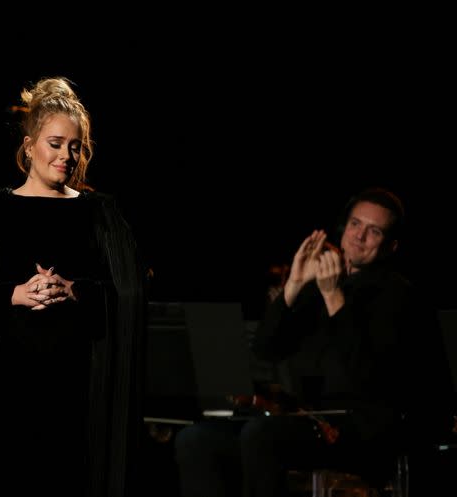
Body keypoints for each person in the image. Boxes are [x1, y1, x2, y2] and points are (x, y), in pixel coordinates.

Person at [0, 76, 146, 497]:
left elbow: (130, 292)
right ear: (29, 146)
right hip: (7, 387)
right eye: (56, 143)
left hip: (76, 388)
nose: (66, 156)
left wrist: (73, 289)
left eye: (74, 147)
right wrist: (14, 294)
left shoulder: (100, 214)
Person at [174, 187, 455, 497]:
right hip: (308, 420)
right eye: (355, 224)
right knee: (196, 439)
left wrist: (334, 297)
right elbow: (266, 350)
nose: (358, 236)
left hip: (364, 430)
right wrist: (294, 285)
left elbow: (366, 378)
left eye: (373, 231)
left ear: (390, 246)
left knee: (262, 436)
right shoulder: (322, 283)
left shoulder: (400, 297)